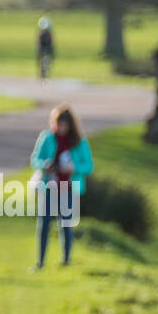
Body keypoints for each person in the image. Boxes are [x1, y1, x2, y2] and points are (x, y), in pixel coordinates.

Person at [30, 104, 93, 269]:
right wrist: (45, 164)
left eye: (64, 125)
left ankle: (66, 259)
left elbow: (88, 166)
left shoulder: (79, 142)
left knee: (65, 224)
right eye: (58, 124)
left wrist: (74, 168)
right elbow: (34, 159)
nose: (61, 128)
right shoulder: (47, 137)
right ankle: (40, 262)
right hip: (49, 185)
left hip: (68, 188)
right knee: (44, 224)